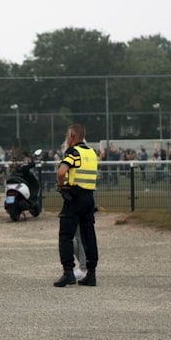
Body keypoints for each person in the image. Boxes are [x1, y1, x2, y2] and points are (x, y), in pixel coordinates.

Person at [54, 123, 99, 287]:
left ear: (72, 137)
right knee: (88, 236)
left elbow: (61, 172)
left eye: (67, 135)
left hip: (74, 198)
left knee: (66, 235)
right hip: (89, 197)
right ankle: (91, 273)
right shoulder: (92, 153)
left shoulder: (73, 152)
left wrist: (61, 186)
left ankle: (68, 272)